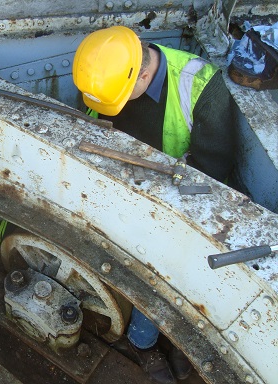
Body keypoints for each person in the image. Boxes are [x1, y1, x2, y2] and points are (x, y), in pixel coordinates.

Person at [72, 26, 236, 384]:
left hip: (181, 197)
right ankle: (144, 342)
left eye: (121, 99)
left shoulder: (201, 88)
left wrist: (154, 197)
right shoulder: (106, 70)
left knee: (172, 265)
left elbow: (214, 174)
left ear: (144, 74)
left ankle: (163, 340)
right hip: (125, 187)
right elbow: (90, 124)